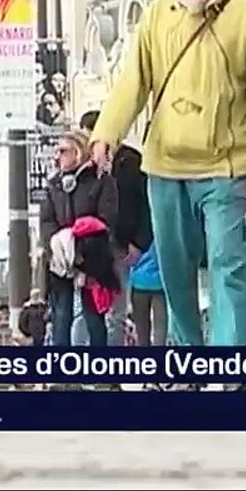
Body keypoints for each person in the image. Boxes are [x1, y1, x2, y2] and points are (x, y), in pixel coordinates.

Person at [89, 0, 246, 348]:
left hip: (224, 167)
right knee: (175, 270)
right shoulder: (159, 14)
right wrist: (107, 132)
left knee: (228, 265)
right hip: (165, 166)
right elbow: (133, 81)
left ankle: (226, 363)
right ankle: (189, 355)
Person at [79, 109, 153, 346]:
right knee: (87, 312)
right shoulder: (83, 168)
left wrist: (140, 243)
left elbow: (146, 206)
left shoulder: (131, 163)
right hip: (89, 248)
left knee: (117, 313)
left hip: (120, 243)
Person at [37, 131, 117, 346]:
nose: (57, 156)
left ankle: (100, 371)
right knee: (61, 315)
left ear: (78, 152)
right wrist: (56, 242)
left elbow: (106, 219)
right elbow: (46, 220)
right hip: (60, 259)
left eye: (63, 151)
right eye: (56, 151)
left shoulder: (100, 181)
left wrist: (78, 242)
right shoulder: (54, 184)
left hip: (91, 257)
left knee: (94, 318)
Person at [128, 242, 167, 346]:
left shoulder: (133, 237)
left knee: (141, 327)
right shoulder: (161, 236)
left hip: (139, 283)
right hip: (160, 284)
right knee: (160, 326)